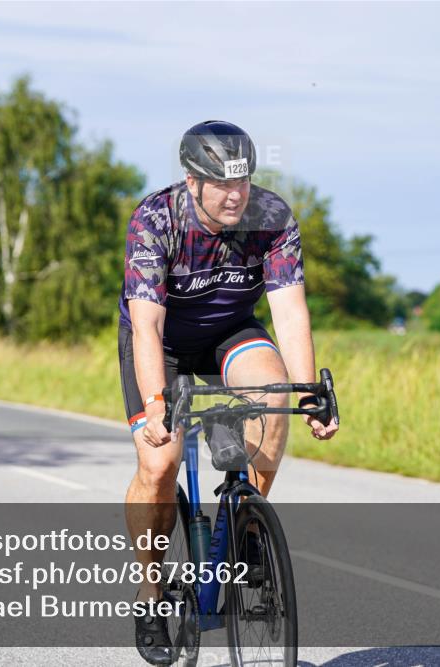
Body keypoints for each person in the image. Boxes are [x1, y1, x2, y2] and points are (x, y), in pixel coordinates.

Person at [119, 120, 339, 664]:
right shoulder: (156, 221)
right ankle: (151, 594)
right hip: (164, 343)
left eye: (242, 182)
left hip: (230, 334)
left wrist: (308, 392)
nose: (235, 195)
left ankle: (247, 525)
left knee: (272, 395)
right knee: (160, 464)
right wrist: (156, 404)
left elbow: (290, 313)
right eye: (221, 184)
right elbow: (146, 326)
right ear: (192, 182)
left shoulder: (272, 217)